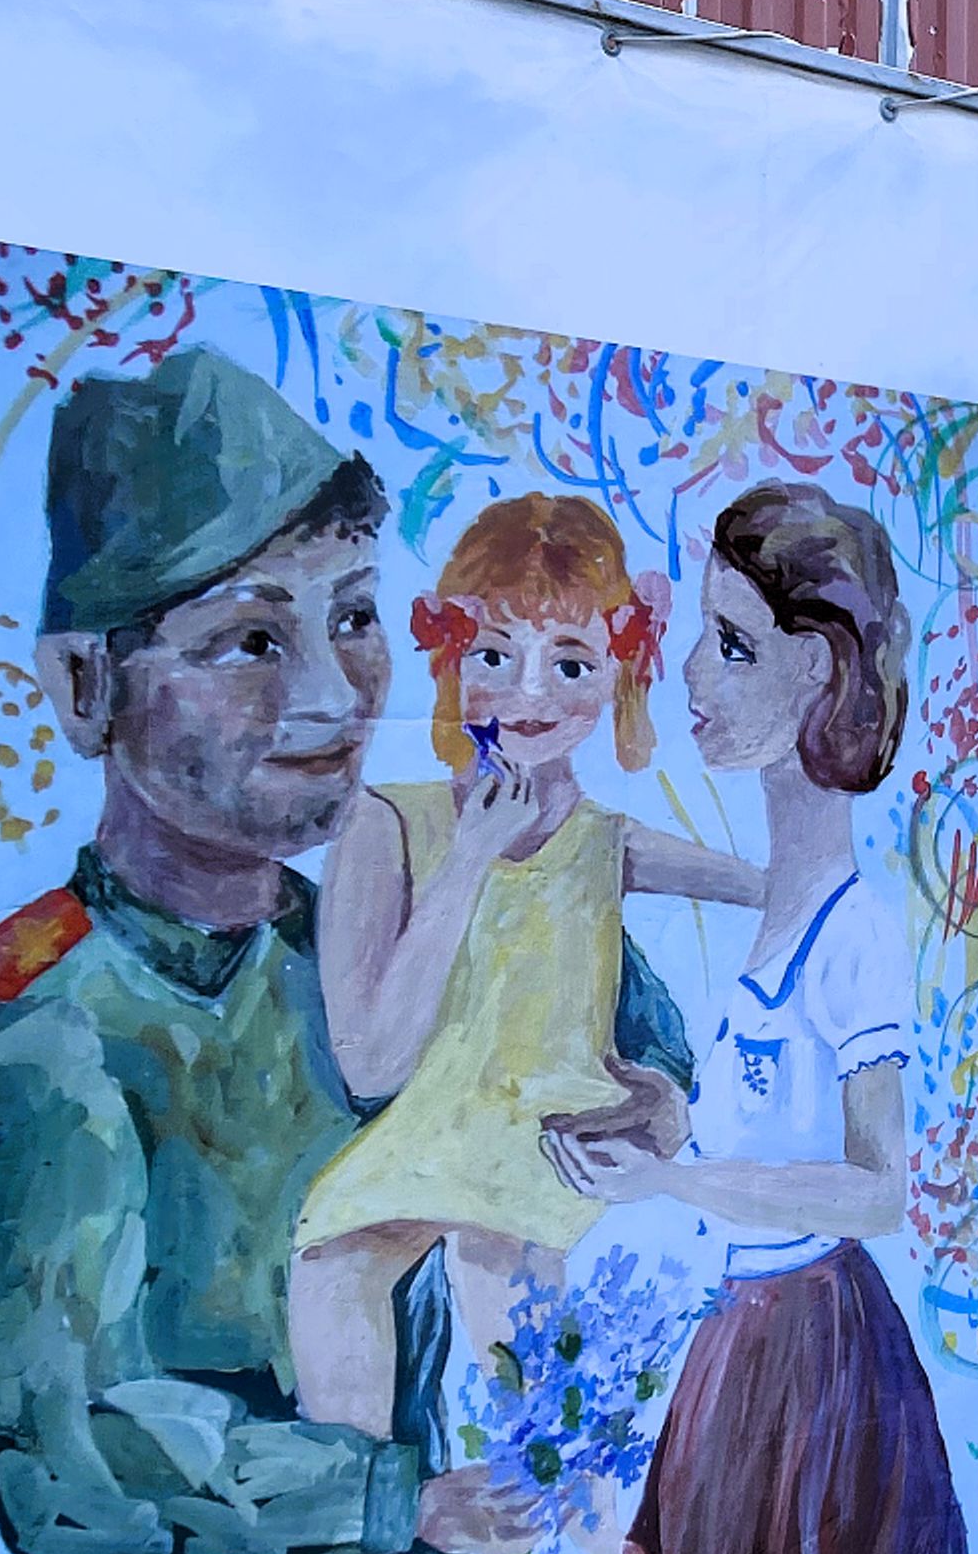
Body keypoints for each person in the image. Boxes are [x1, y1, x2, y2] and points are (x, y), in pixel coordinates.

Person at [0, 348, 692, 1554]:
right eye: (246, 641)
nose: (332, 686)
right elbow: (72, 1440)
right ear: (82, 687)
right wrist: (385, 1498)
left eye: (355, 614)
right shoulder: (40, 1024)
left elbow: (603, 988)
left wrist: (649, 1091)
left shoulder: (380, 915)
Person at [546, 480, 978, 1554]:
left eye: (732, 647)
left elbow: (877, 1185)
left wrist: (673, 1181)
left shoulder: (853, 924)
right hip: (742, 1350)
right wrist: (665, 1123)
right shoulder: (780, 900)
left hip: (814, 1374)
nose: (691, 677)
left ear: (819, 669)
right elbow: (765, 1123)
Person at [289, 494, 763, 1444]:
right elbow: (372, 1065)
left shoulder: (604, 842)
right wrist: (469, 858)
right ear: (450, 663)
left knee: (498, 1279)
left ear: (620, 678)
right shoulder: (387, 822)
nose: (531, 695)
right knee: (336, 1262)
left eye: (573, 664)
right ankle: (366, 1551)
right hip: (427, 1135)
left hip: (551, 1136)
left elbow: (771, 887)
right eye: (494, 655)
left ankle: (579, 1545)